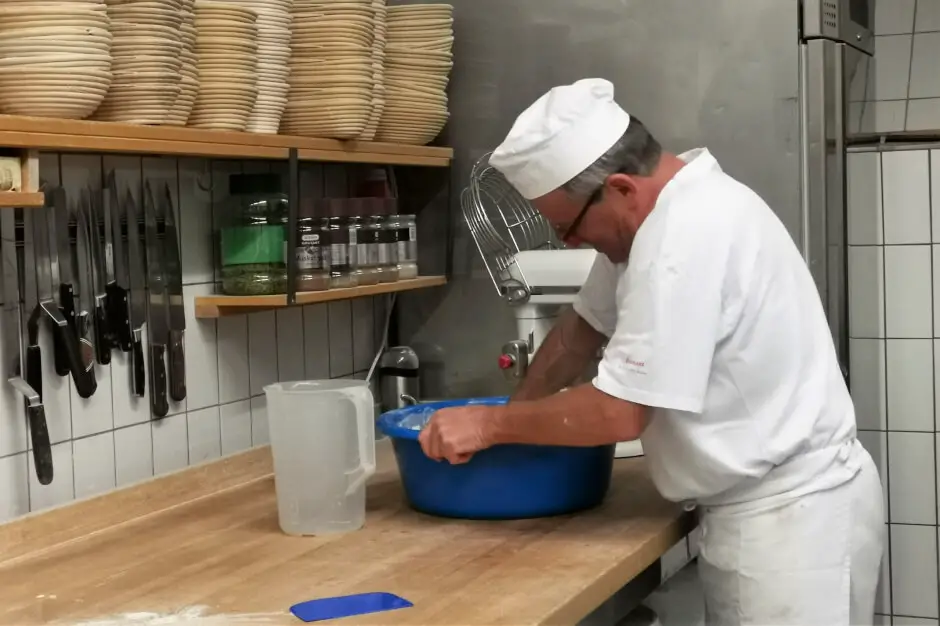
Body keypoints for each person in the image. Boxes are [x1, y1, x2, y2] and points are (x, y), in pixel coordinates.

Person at [418, 78, 884, 625]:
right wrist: (518, 410)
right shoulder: (660, 214)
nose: (567, 243)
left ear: (619, 188)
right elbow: (578, 332)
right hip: (772, 512)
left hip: (791, 530)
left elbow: (621, 410)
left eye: (567, 227)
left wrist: (489, 427)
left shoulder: (682, 236)